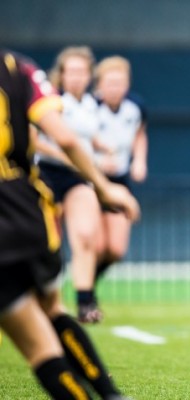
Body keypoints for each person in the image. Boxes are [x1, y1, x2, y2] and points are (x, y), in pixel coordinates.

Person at [0, 50, 138, 399]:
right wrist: (105, 186)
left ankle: (88, 298)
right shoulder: (18, 68)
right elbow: (60, 137)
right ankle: (110, 393)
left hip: (37, 200)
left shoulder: (96, 105)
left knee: (37, 345)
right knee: (51, 308)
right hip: (23, 207)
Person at [34, 46, 104, 324]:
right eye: (70, 71)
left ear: (89, 75)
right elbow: (35, 138)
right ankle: (46, 301)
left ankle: (86, 302)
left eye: (81, 71)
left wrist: (103, 151)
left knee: (86, 235)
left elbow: (88, 138)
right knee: (47, 242)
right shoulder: (49, 100)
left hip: (77, 177)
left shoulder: (91, 104)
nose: (76, 77)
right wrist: (65, 154)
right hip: (47, 174)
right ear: (61, 74)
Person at [91, 55, 148, 314]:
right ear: (100, 84)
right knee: (98, 245)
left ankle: (88, 281)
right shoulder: (89, 107)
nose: (115, 88)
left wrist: (139, 161)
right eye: (110, 83)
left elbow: (140, 134)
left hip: (121, 181)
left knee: (115, 249)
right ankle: (85, 295)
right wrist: (97, 161)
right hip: (92, 181)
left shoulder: (135, 107)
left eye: (120, 83)